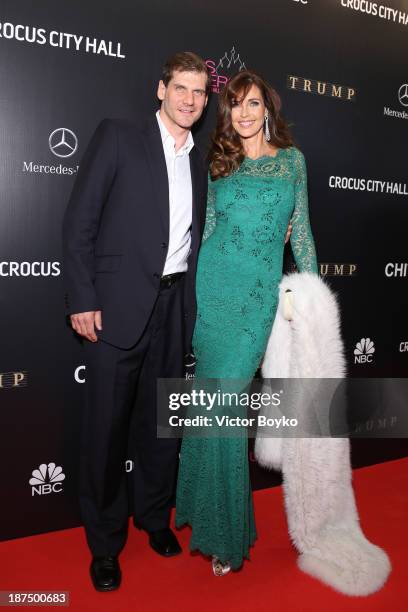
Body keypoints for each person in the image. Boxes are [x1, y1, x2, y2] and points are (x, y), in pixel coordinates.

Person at [62, 52, 209, 591]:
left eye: (199, 93)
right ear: (161, 89)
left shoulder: (198, 159)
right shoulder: (120, 136)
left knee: (160, 425)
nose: (191, 100)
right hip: (114, 307)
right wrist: (82, 297)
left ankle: (153, 518)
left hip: (173, 308)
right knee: (105, 431)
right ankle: (104, 543)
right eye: (182, 89)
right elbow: (79, 222)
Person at [175, 70, 319, 575]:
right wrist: (194, 301)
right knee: (213, 408)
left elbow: (300, 230)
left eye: (253, 103)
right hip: (214, 290)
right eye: (235, 104)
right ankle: (217, 523)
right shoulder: (218, 162)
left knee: (226, 405)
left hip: (257, 297)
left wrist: (313, 295)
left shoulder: (291, 162)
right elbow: (208, 230)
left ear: (267, 110)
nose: (243, 112)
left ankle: (223, 530)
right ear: (228, 112)